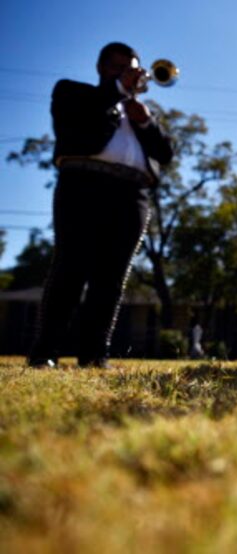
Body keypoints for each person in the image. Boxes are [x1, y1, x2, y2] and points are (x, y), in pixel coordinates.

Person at [28, 42, 174, 369]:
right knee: (70, 267)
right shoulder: (73, 92)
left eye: (132, 68)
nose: (129, 74)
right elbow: (83, 119)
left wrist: (147, 124)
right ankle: (45, 352)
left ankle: (95, 354)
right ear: (102, 68)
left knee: (111, 277)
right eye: (120, 67)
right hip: (85, 183)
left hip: (133, 192)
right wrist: (119, 90)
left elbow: (166, 155)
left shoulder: (141, 112)